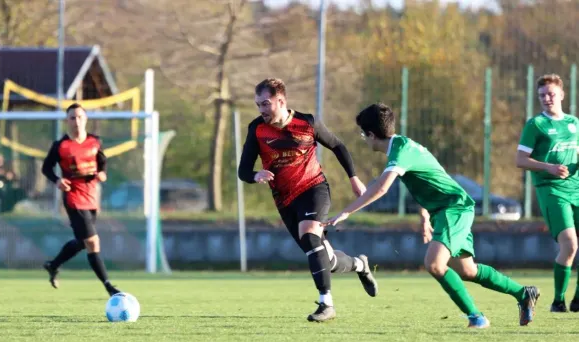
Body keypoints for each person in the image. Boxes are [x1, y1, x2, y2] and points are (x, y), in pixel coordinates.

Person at [324, 102, 539, 328]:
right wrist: (425, 215)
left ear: (371, 134)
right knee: (468, 270)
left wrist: (346, 212)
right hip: (448, 209)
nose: (364, 139)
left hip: (452, 209)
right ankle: (523, 293)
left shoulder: (400, 151)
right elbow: (428, 180)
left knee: (435, 264)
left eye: (363, 135)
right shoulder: (404, 146)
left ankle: (476, 318)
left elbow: (381, 188)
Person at [238, 78, 378, 322]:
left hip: (313, 188)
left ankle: (326, 304)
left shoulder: (307, 122)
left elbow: (338, 146)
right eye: (258, 105)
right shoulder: (256, 129)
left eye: (265, 104)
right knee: (326, 257)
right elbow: (242, 171)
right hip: (284, 200)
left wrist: (354, 179)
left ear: (281, 101)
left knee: (310, 234)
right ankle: (359, 264)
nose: (261, 110)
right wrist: (255, 175)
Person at [41, 103, 120, 297]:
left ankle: (53, 265)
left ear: (85, 119)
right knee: (93, 241)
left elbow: (102, 163)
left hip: (92, 197)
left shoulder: (95, 142)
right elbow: (46, 168)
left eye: (79, 117)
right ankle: (109, 287)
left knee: (82, 241)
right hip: (73, 198)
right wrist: (58, 180)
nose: (76, 121)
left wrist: (102, 173)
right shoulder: (60, 146)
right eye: (72, 118)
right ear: (66, 121)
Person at [516, 74, 579, 313]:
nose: (546, 98)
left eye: (551, 94)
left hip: (576, 188)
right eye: (542, 95)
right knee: (570, 245)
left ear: (562, 95)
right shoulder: (536, 125)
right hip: (552, 191)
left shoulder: (574, 122)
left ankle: (578, 300)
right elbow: (520, 160)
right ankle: (558, 301)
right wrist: (548, 167)